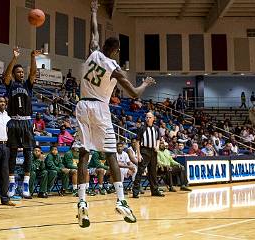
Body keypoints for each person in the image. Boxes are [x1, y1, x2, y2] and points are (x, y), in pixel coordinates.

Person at [75, 0, 155, 228]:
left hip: (82, 106)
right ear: (117, 51)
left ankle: (82, 202)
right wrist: (146, 83)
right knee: (110, 153)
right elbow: (135, 94)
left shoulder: (93, 53)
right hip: (100, 108)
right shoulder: (114, 68)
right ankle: (120, 199)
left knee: (84, 153)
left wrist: (93, 11)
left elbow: (94, 31)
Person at [3, 47, 41, 199]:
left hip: (26, 122)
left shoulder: (27, 85)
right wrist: (14, 59)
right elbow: (6, 74)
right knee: (12, 153)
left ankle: (25, 183)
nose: (21, 74)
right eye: (18, 72)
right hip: (13, 121)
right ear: (14, 74)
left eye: (22, 72)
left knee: (28, 153)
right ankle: (12, 183)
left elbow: (33, 73)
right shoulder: (10, 85)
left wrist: (33, 57)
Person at [132, 112, 164, 198]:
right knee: (140, 171)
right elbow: (137, 142)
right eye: (146, 117)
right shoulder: (142, 128)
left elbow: (158, 139)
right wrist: (138, 154)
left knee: (153, 172)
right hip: (144, 151)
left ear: (153, 118)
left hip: (153, 151)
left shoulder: (156, 128)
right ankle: (135, 191)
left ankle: (155, 190)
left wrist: (157, 146)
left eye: (150, 117)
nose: (148, 119)